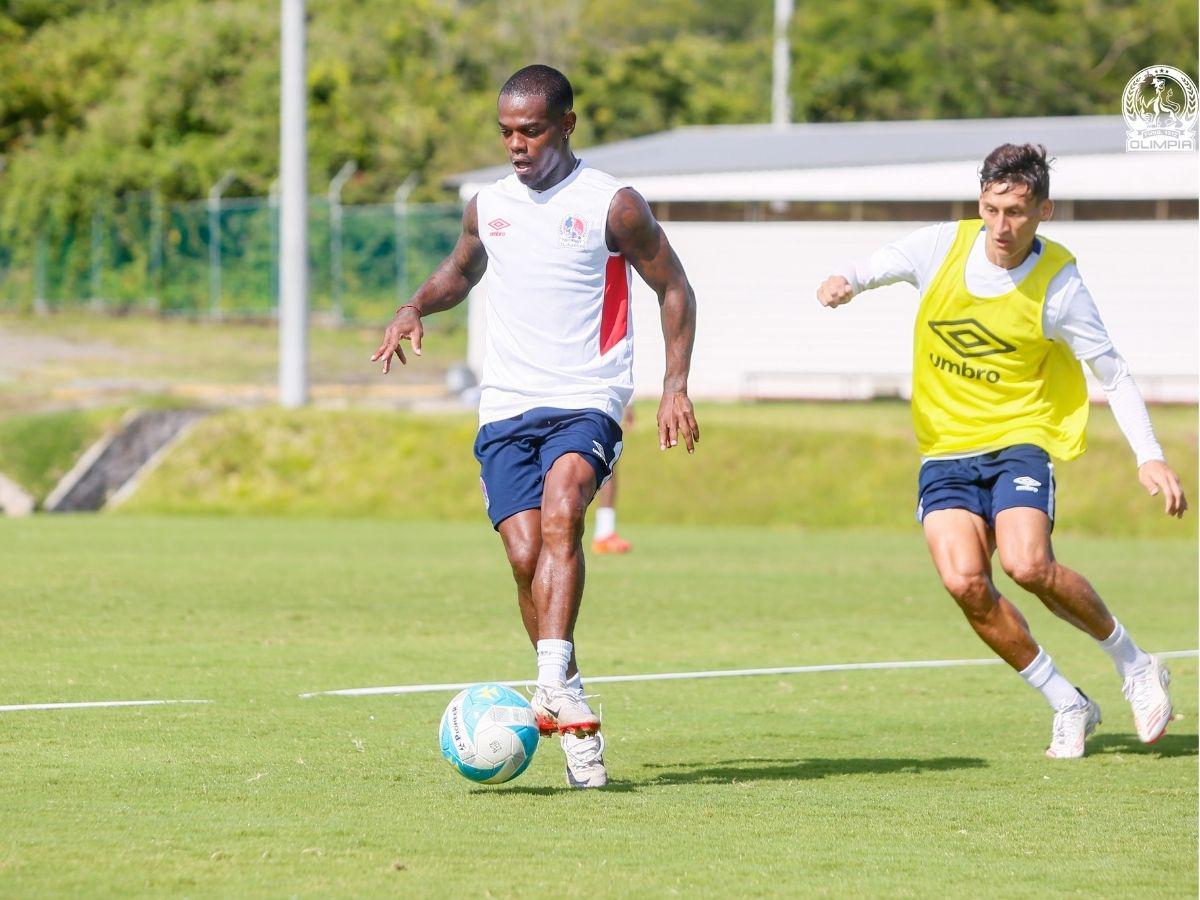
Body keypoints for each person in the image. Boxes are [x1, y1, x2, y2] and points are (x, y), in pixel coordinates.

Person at [371, 65, 699, 787]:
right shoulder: (487, 205)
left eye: (532, 130)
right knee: (526, 557)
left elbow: (673, 284)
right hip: (507, 404)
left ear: (567, 126)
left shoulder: (612, 204)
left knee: (563, 515)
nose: (516, 144)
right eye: (507, 131)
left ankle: (551, 686)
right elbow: (461, 271)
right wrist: (415, 307)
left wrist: (674, 386)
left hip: (589, 393)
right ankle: (569, 696)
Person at [815, 143, 1187, 759]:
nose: (1001, 226)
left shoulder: (1060, 285)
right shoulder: (942, 247)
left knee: (1027, 565)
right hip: (945, 450)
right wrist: (843, 282)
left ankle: (1136, 664)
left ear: (1044, 210)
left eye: (1016, 211)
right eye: (991, 209)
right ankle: (1068, 702)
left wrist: (1148, 454)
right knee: (965, 582)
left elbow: (1113, 373)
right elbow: (874, 264)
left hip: (1019, 438)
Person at [592, 407, 634, 554]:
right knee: (607, 463)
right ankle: (604, 534)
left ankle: (604, 532)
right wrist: (628, 404)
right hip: (591, 406)